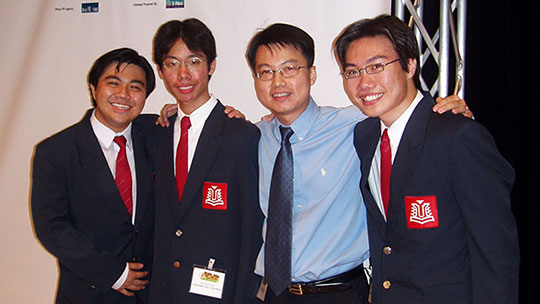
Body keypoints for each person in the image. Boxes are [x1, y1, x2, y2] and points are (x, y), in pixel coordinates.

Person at [245, 23, 471, 303]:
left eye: (289, 69)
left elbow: (404, 114)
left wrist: (444, 109)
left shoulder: (356, 125)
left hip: (338, 292)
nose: (277, 82)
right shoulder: (253, 137)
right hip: (272, 293)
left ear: (312, 74)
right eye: (265, 72)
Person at [333, 15, 519, 303]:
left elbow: (495, 251)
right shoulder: (365, 135)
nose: (364, 82)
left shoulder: (458, 136)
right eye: (353, 72)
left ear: (409, 65)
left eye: (377, 66)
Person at [147, 19, 263, 303]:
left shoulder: (241, 135)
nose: (183, 74)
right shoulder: (155, 133)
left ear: (211, 66)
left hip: (219, 292)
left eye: (194, 61)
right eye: (172, 63)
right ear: (161, 71)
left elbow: (252, 230)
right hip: (165, 290)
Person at [31, 48, 157, 303]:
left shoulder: (156, 136)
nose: (124, 95)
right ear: (93, 88)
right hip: (89, 293)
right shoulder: (55, 151)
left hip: (151, 293)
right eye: (113, 83)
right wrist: (113, 273)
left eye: (135, 87)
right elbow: (51, 226)